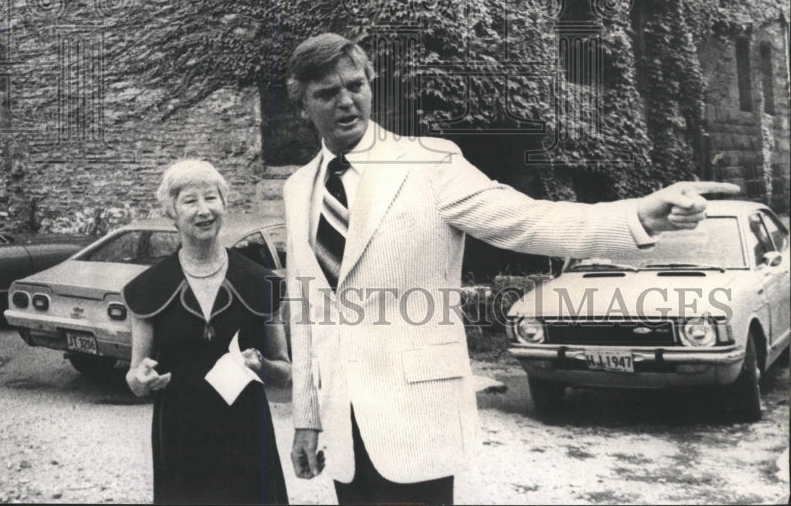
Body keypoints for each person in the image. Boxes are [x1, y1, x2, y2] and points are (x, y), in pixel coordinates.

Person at [283, 32, 739, 506]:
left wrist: (639, 215)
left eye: (355, 85)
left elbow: (530, 221)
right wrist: (306, 418)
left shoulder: (429, 163)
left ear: (371, 84)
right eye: (326, 94)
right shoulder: (298, 189)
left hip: (416, 415)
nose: (346, 101)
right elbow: (308, 315)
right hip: (344, 421)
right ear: (302, 106)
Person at [123, 159, 290, 506]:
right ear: (172, 212)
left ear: (225, 204)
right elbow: (135, 378)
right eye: (190, 201)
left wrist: (262, 365)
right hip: (181, 435)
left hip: (246, 430)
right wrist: (141, 378)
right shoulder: (147, 288)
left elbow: (285, 373)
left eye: (211, 198)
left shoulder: (262, 284)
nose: (204, 210)